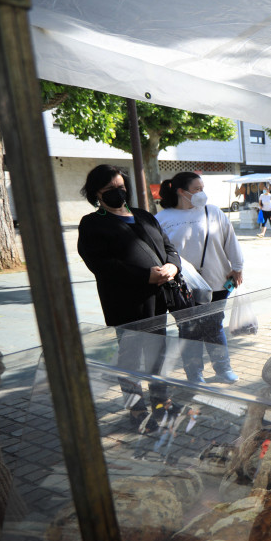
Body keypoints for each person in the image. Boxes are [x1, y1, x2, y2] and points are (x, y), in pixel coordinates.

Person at [77, 164, 181, 425]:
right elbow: (100, 264)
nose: (117, 193)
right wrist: (145, 276)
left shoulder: (144, 216)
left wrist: (172, 265)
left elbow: (169, 247)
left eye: (121, 187)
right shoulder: (92, 223)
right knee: (131, 360)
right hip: (126, 304)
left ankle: (160, 401)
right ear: (96, 193)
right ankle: (136, 409)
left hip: (158, 300)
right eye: (110, 189)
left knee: (158, 355)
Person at [157, 172, 244, 384]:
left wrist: (238, 267)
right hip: (181, 287)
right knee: (188, 330)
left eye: (202, 188)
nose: (202, 193)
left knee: (214, 326)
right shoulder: (162, 219)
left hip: (216, 281)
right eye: (197, 189)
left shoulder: (213, 212)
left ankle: (223, 368)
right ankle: (194, 374)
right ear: (181, 192)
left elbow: (230, 240)